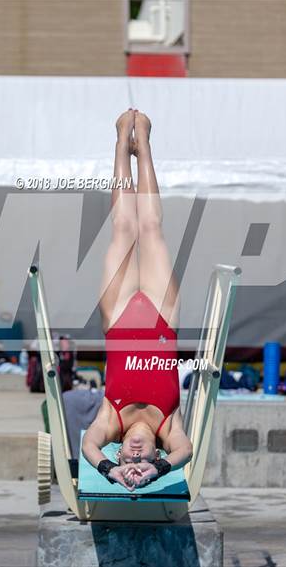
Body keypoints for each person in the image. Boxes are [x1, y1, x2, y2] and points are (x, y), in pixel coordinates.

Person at [82, 109, 193, 491]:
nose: (133, 455)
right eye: (140, 461)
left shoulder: (110, 421)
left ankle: (119, 142)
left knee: (123, 225)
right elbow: (186, 450)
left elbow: (88, 444)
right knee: (150, 226)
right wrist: (159, 472)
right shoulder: (169, 426)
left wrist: (107, 471)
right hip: (162, 315)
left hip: (120, 314)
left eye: (125, 459)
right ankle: (143, 141)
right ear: (154, 456)